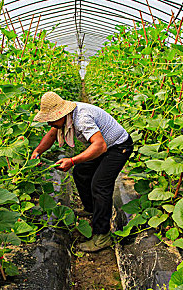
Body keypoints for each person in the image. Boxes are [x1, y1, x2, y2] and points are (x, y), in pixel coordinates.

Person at [31, 91, 133, 252]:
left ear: (61, 114)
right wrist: (37, 152)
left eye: (51, 120)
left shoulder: (82, 118)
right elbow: (51, 135)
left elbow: (99, 146)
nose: (50, 124)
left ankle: (102, 236)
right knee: (80, 172)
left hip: (118, 147)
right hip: (105, 146)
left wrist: (71, 161)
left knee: (100, 185)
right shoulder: (64, 117)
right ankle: (91, 208)